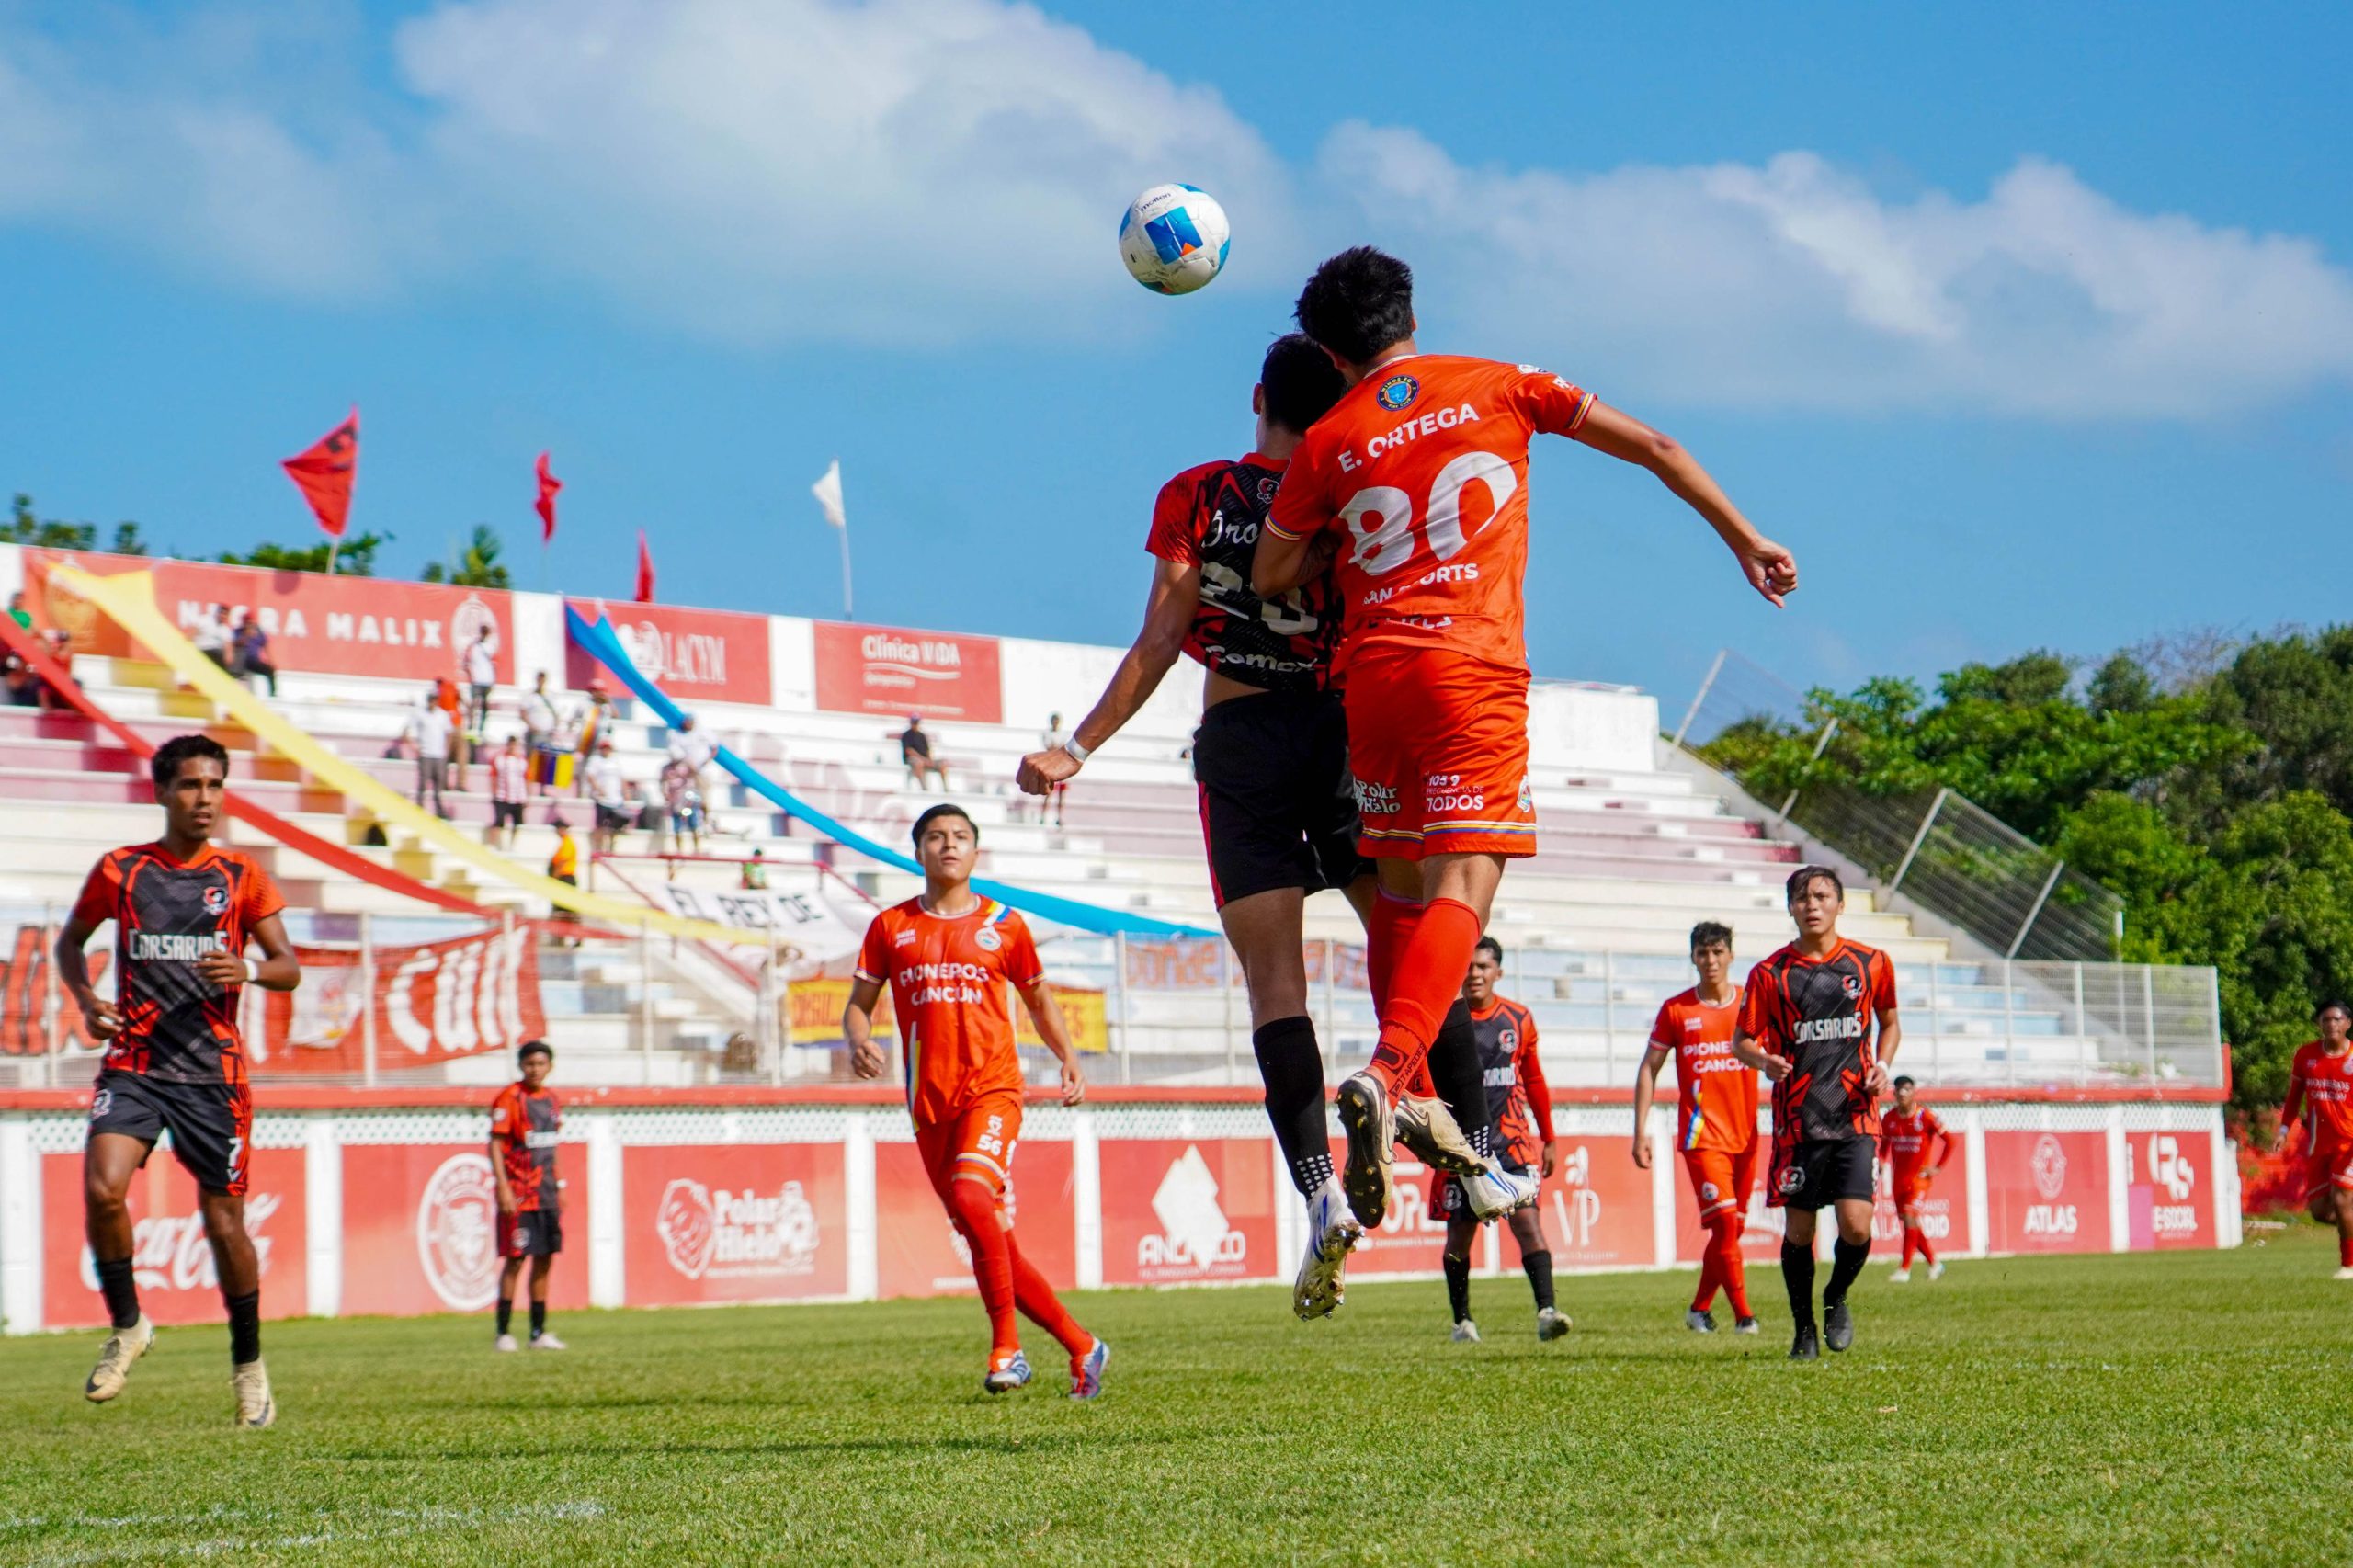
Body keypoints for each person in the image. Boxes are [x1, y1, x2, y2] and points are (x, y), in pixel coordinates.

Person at [1251, 246, 1797, 1232]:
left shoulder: (1329, 438)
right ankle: (1388, 1074)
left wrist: (1341, 533)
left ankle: (1408, 1087)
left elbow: (1271, 573)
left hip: (1373, 682)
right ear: (1411, 314)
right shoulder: (1501, 383)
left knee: (1401, 889)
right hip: (1470, 669)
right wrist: (1745, 537)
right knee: (1465, 885)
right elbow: (1657, 445)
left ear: (1331, 354)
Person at [1017, 335, 1521, 1322]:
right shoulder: (1346, 482)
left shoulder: (1197, 494)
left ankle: (1321, 1191)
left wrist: (1076, 746)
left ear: (1257, 398)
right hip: (1343, 731)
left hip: (1242, 741)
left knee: (1274, 983)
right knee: (1412, 940)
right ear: (1334, 406)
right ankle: (1477, 1150)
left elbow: (1162, 637)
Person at [54, 733, 301, 1426]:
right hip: (135, 1063)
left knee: (224, 1224)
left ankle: (249, 1367)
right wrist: (86, 999)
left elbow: (288, 967)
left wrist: (249, 968)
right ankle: (128, 1325)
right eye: (191, 785)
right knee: (103, 1190)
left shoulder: (242, 876)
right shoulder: (122, 870)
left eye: (215, 785)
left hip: (212, 1076)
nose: (205, 799)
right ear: (162, 791)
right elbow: (70, 941)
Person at [844, 804, 1108, 1399]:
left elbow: (1038, 1000)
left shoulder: (1005, 924)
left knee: (970, 1196)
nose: (949, 845)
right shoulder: (890, 927)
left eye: (960, 836)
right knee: (992, 1239)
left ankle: (1007, 1349)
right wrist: (859, 1042)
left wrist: (1068, 1057)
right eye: (936, 837)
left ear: (975, 851)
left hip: (993, 1089)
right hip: (928, 1103)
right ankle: (1083, 1345)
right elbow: (858, 1006)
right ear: (918, 852)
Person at [1733, 865, 1900, 1360]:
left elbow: (1890, 1023)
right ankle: (1803, 1328)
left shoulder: (1871, 963)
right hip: (1797, 1120)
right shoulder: (1769, 973)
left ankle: (1835, 1297)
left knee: (1857, 1226)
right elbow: (1741, 1040)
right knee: (1799, 1232)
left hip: (1857, 1115)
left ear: (1840, 905)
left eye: (1822, 896)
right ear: (1790, 908)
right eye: (1802, 897)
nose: (1812, 905)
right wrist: (1762, 1060)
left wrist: (1883, 1066)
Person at [1436, 937, 1566, 1344]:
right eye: (1468, 966)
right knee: (1460, 1237)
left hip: (1510, 1143)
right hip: (1460, 1147)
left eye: (1483, 966)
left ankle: (1547, 1312)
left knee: (1528, 1224)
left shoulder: (1517, 1018)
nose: (1474, 974)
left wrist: (1549, 1137)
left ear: (1498, 972)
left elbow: (1535, 1080)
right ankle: (1462, 1322)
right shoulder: (1443, 1019)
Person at [1635, 921, 1760, 1335]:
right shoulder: (1677, 1010)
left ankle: (1699, 1308)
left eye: (1718, 952)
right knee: (1724, 1225)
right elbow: (1649, 1068)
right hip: (1701, 1136)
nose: (1711, 960)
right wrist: (1640, 1132)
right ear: (1693, 957)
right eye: (1703, 953)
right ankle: (1745, 1317)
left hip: (1747, 1135)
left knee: (1732, 1229)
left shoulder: (1750, 1005)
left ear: (1731, 955)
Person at [490, 1040, 566, 1351]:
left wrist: (559, 1185)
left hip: (546, 1194)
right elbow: (496, 1145)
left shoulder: (551, 1100)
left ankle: (538, 1333)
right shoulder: (510, 1099)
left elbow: (552, 1149)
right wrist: (503, 1187)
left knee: (544, 1260)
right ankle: (503, 1333)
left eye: (541, 1064)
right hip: (520, 1195)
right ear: (521, 1066)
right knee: (515, 1260)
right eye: (530, 1064)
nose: (535, 1069)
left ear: (550, 1066)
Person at [2281, 1000, 2353, 1279]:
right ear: (2319, 1024)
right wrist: (2283, 1130)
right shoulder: (2306, 1055)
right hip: (2319, 1144)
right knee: (2321, 1212)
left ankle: (2348, 1265)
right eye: (2326, 1019)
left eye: (2337, 1019)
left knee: (2342, 1200)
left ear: (2348, 1024)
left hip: (2349, 1143)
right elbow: (2294, 1096)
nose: (2331, 1024)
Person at [1880, 1075, 1954, 1282]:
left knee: (1910, 1216)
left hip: (1919, 1180)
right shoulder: (1889, 1118)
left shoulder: (1926, 1116)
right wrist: (1881, 1161)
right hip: (1899, 1180)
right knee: (1909, 1222)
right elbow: (1884, 1145)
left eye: (1907, 1089)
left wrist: (1937, 1167)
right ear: (1894, 1093)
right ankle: (1934, 1263)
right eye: (1899, 1090)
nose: (1903, 1093)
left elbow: (1950, 1141)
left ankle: (1904, 1269)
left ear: (1914, 1092)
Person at [402, 687, 454, 817]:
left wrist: (446, 750)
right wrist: (415, 747)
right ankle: (419, 809)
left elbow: (449, 733)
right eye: (431, 700)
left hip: (439, 754)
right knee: (423, 784)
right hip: (426, 754)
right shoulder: (420, 714)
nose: (432, 702)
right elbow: (406, 731)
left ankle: (439, 811)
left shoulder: (442, 715)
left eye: (434, 699)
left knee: (439, 785)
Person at [585, 737, 630, 855]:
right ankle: (598, 849)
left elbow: (622, 778)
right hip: (602, 799)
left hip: (616, 799)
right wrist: (598, 789)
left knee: (615, 826)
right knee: (600, 825)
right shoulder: (595, 760)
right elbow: (590, 776)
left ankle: (611, 849)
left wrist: (626, 792)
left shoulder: (615, 761)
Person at [489, 735, 530, 851]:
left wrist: (527, 796)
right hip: (502, 796)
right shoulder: (500, 759)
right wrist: (494, 792)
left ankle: (512, 847)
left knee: (517, 824)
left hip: (518, 797)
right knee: (498, 822)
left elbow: (527, 779)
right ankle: (493, 846)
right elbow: (493, 777)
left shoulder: (522, 760)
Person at [545, 819, 582, 945]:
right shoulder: (564, 843)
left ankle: (575, 937)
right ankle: (560, 937)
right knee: (561, 910)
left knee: (567, 910)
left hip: (565, 879)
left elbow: (562, 862)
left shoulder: (568, 842)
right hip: (562, 878)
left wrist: (554, 878)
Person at [522, 673, 559, 794]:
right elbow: (523, 712)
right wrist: (532, 726)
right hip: (534, 733)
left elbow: (556, 714)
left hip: (547, 733)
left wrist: (554, 728)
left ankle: (542, 789)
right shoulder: (530, 696)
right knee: (531, 761)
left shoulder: (551, 696)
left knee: (545, 762)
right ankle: (528, 789)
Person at [661, 756, 704, 857]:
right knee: (677, 829)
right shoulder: (671, 781)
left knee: (694, 827)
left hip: (688, 807)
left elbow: (691, 795)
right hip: (677, 807)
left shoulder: (688, 780)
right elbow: (668, 794)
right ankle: (679, 850)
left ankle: (697, 849)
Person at [1035, 713, 1072, 826]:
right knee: (1048, 792)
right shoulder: (1047, 733)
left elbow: (1064, 748)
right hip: (1051, 766)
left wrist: (1057, 748)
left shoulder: (1063, 734)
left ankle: (1059, 817)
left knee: (1061, 794)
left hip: (1061, 766)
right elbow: (1049, 747)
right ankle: (1043, 816)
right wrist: (1057, 748)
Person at [231, 612, 276, 697]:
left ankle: (273, 694)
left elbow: (266, 645)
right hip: (241, 661)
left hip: (253, 660)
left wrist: (271, 660)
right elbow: (235, 644)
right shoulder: (238, 631)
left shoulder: (259, 633)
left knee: (269, 670)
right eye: (247, 622)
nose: (249, 624)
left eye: (251, 622)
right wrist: (247, 635)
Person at [898, 716, 949, 790]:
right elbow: (909, 750)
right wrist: (923, 759)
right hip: (912, 759)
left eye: (916, 722)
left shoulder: (922, 735)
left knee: (942, 763)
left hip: (924, 759)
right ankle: (924, 789)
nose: (915, 724)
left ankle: (946, 789)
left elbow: (928, 750)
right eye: (914, 722)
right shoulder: (906, 735)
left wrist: (929, 760)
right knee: (918, 763)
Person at [464, 628, 497, 733]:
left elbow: (493, 663)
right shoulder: (474, 646)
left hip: (487, 680)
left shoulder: (490, 646)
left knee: (484, 704)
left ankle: (481, 728)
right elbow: (467, 660)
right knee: (474, 703)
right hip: (477, 680)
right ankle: (471, 726)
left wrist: (492, 681)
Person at [189, 604, 231, 671]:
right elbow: (192, 633)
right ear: (217, 613)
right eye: (221, 613)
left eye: (225, 614)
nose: (223, 616)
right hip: (203, 650)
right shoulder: (205, 620)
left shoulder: (226, 629)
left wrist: (228, 655)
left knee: (219, 654)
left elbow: (228, 645)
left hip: (216, 652)